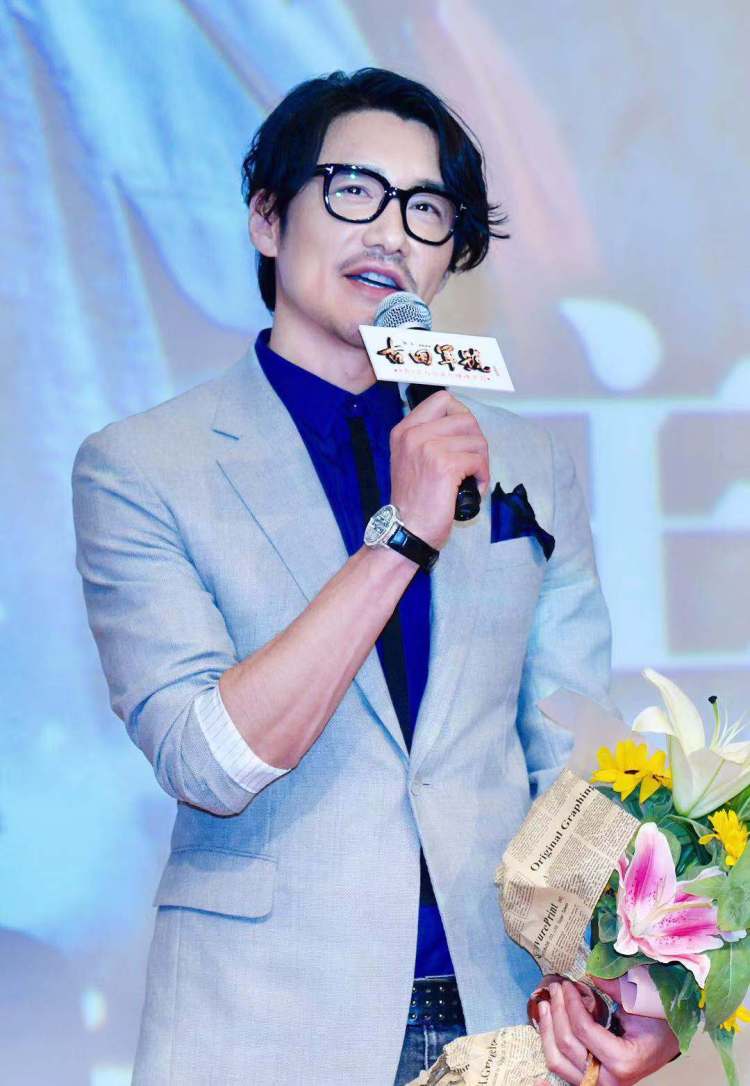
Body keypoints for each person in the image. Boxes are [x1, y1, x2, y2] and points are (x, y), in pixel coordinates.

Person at [72, 68, 679, 1085]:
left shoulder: (523, 458)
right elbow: (205, 759)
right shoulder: (143, 466)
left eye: (426, 209)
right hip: (262, 1022)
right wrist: (399, 542)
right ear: (268, 218)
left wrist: (622, 975)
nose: (390, 231)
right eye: (353, 191)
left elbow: (567, 738)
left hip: (501, 1016)